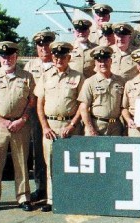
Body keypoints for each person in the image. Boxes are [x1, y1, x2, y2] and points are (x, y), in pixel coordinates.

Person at [0, 41, 35, 212]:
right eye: (3, 56)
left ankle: (23, 197)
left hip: (20, 125)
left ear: (16, 56)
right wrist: (1, 121)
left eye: (10, 56)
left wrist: (22, 119)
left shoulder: (27, 77)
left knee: (21, 162)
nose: (6, 59)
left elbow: (32, 101)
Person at [34, 42, 83, 212]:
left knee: (72, 164)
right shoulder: (45, 76)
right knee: (51, 164)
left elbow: (82, 104)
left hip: (70, 126)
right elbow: (39, 104)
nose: (58, 59)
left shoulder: (78, 77)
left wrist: (72, 124)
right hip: (51, 126)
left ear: (68, 58)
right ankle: (52, 199)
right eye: (56, 56)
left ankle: (71, 197)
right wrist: (45, 127)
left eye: (62, 56)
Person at [23, 29, 55, 202]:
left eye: (47, 45)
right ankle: (41, 187)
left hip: (55, 113)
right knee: (38, 153)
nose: (44, 48)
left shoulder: (59, 63)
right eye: (40, 45)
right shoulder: (30, 66)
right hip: (36, 114)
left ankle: (57, 187)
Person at [78, 46, 125, 136]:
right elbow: (83, 108)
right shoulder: (90, 82)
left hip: (116, 127)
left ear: (111, 61)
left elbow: (124, 107)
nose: (102, 64)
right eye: (99, 61)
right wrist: (90, 129)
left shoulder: (120, 81)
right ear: (95, 63)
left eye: (106, 60)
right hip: (97, 126)